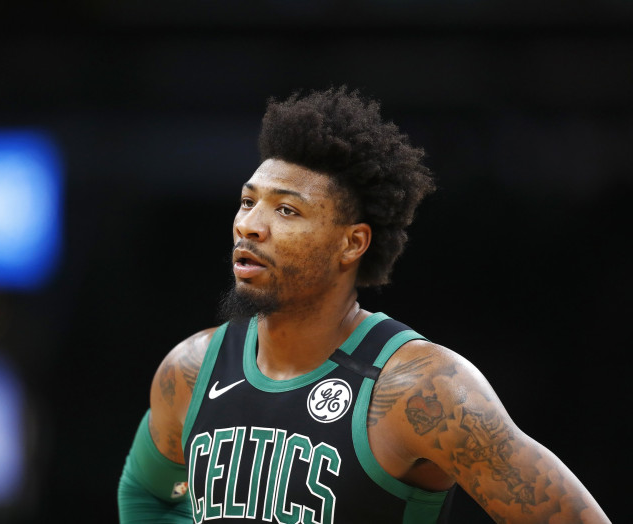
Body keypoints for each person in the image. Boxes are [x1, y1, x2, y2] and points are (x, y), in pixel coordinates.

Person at [118, 87, 610, 523]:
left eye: (286, 210)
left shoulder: (424, 390)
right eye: (248, 202)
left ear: (352, 243)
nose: (250, 225)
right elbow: (147, 495)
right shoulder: (191, 369)